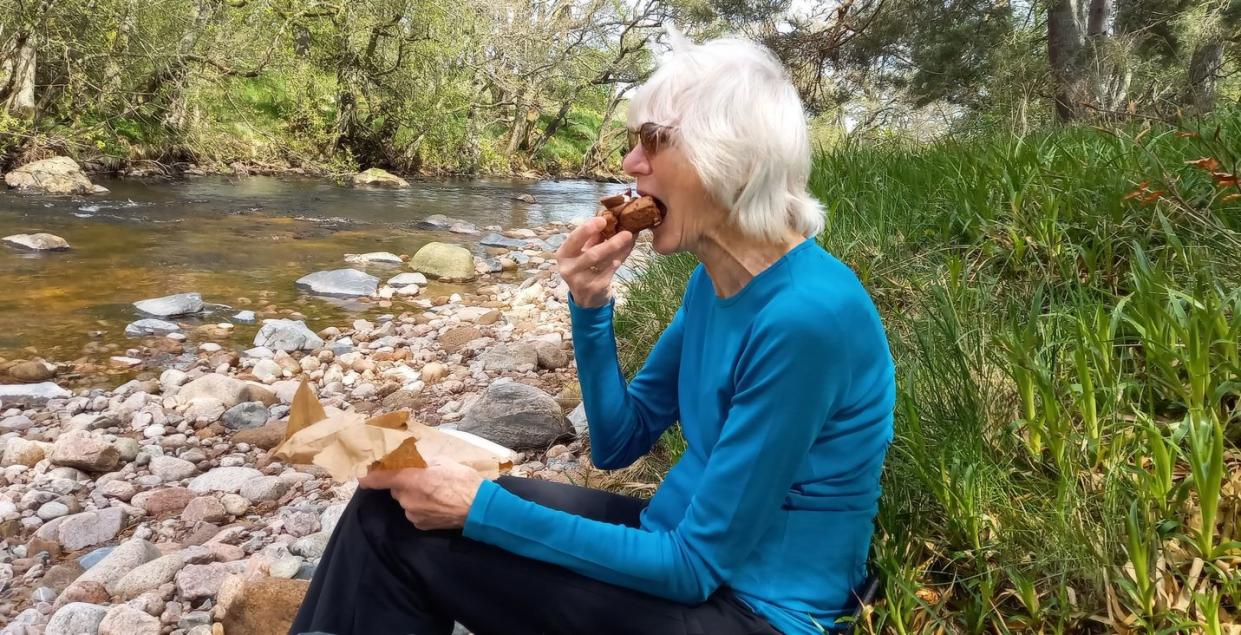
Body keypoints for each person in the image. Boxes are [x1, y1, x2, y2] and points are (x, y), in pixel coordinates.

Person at [289, 28, 894, 635]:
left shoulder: (805, 319)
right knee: (389, 503)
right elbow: (617, 444)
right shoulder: (715, 284)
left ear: (735, 161)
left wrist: (479, 508)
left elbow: (695, 568)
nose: (631, 164)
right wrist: (590, 301)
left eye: (654, 142)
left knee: (404, 535)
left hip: (755, 610)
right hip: (676, 541)